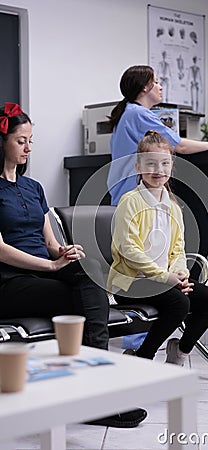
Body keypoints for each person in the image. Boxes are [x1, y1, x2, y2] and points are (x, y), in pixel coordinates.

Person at [0, 102, 146, 428]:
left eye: (31, 140)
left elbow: (50, 244)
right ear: (2, 142)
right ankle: (97, 395)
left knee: (88, 266)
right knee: (82, 302)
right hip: (9, 282)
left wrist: (63, 252)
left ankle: (93, 393)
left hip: (41, 274)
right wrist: (51, 267)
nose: (28, 147)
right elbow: (2, 251)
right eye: (21, 140)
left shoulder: (33, 187)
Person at [107, 130, 208, 364]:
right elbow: (129, 250)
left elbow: (178, 249)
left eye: (165, 163)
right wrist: (164, 277)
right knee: (179, 302)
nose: (158, 170)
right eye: (151, 164)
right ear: (138, 167)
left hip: (165, 280)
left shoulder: (173, 207)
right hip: (131, 283)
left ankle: (180, 351)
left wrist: (180, 273)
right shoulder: (130, 202)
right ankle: (143, 358)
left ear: (171, 166)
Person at [107, 65, 208, 206]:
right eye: (156, 82)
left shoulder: (128, 112)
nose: (160, 87)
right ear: (145, 87)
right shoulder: (138, 114)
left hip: (123, 193)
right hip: (134, 194)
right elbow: (180, 146)